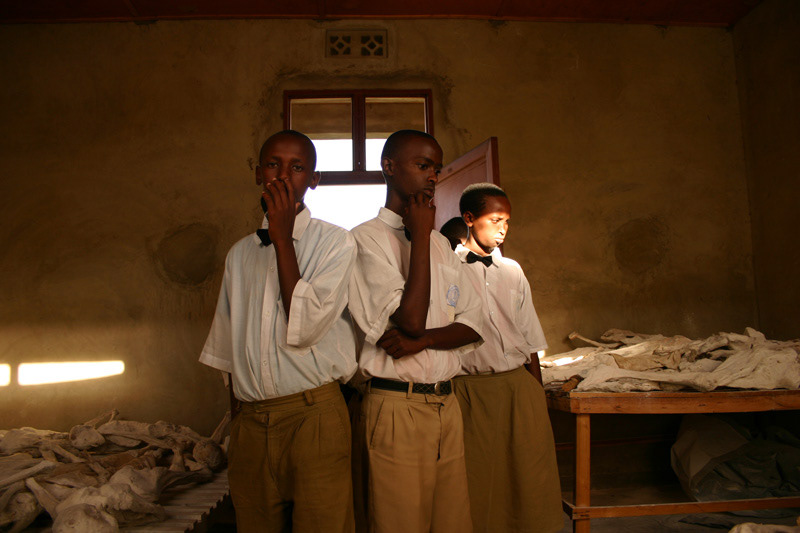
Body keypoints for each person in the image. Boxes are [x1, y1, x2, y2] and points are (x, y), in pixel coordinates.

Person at [199, 130, 357, 533]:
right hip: (251, 423)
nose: (283, 176)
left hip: (313, 419)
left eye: (297, 167)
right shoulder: (240, 254)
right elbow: (227, 351)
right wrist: (239, 424)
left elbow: (304, 328)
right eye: (273, 164)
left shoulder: (335, 243)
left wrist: (283, 238)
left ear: (313, 180)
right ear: (258, 173)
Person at [347, 130, 484, 533]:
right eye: (423, 165)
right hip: (396, 407)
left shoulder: (442, 246)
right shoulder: (364, 240)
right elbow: (409, 320)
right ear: (388, 167)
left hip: (446, 405)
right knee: (400, 522)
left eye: (437, 168)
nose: (433, 176)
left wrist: (423, 342)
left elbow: (473, 324)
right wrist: (420, 235)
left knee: (452, 522)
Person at [453, 182, 563, 533]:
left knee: (528, 478)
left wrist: (536, 396)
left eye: (507, 222)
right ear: (469, 218)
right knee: (475, 480)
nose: (503, 229)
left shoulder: (513, 271)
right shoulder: (447, 268)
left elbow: (530, 337)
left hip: (517, 387)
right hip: (468, 391)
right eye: (495, 220)